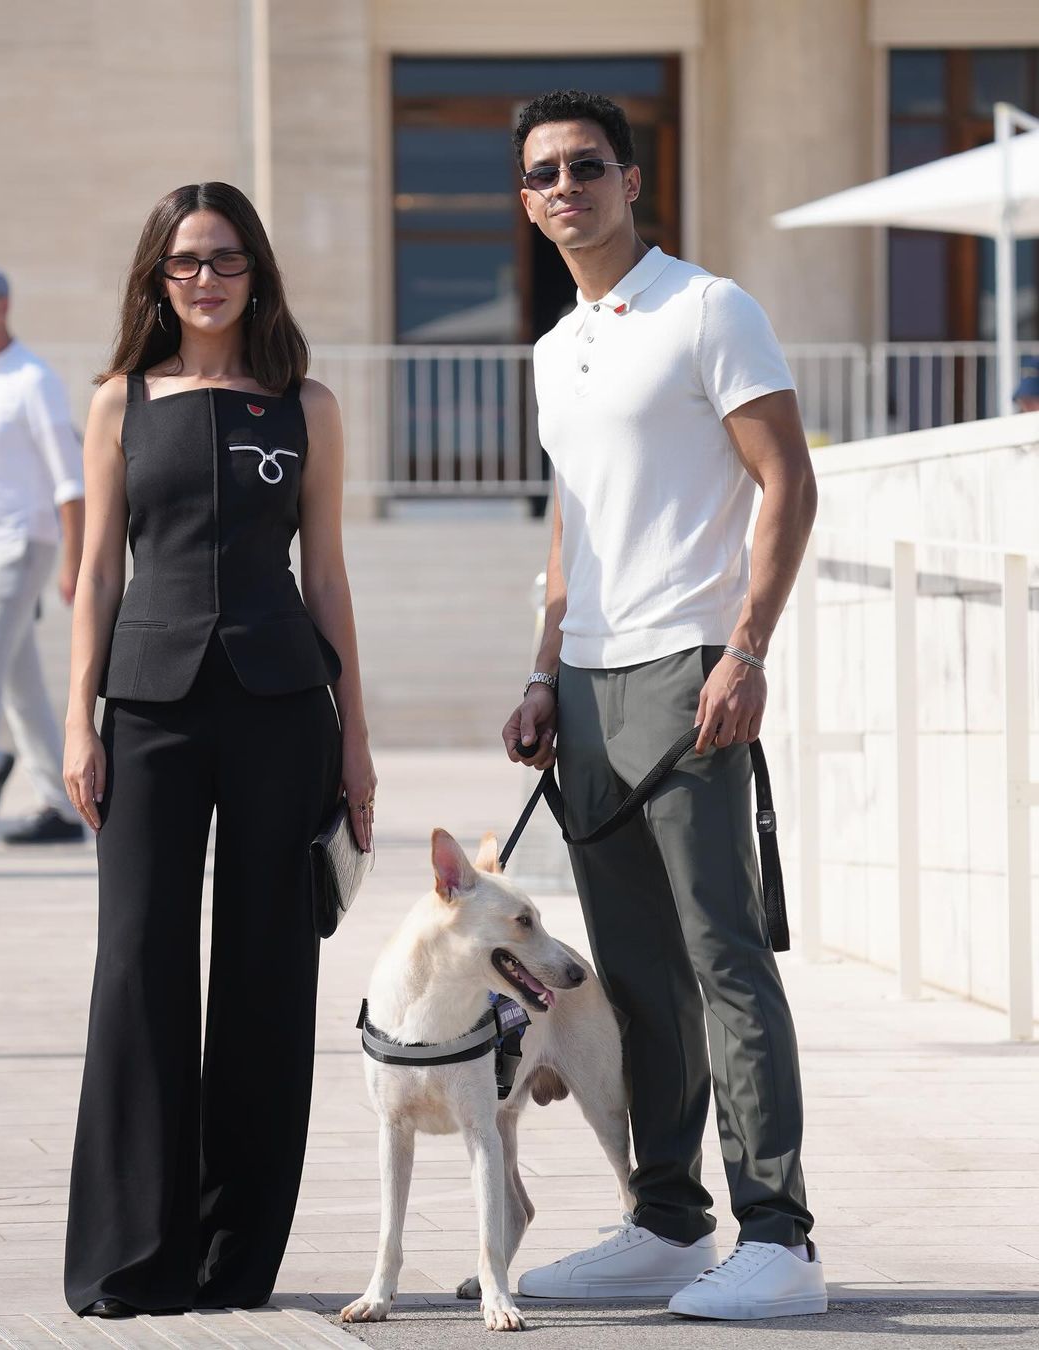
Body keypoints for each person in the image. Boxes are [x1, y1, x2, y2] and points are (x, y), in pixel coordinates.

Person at [501, 91, 826, 1321]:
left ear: (631, 180)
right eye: (544, 174)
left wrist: (747, 647)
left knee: (724, 959)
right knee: (636, 976)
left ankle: (780, 1239)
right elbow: (572, 522)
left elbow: (788, 480)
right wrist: (544, 669)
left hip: (693, 671)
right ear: (527, 201)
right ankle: (669, 1221)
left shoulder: (707, 308)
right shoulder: (555, 349)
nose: (567, 187)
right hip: (586, 685)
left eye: (588, 166)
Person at [62, 182, 376, 1317]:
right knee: (137, 966)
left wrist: (356, 744)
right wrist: (78, 718)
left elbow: (325, 575)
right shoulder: (118, 401)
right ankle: (131, 1258)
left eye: (227, 258)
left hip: (282, 706)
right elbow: (100, 570)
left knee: (266, 972)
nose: (207, 278)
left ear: (257, 273)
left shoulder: (307, 405)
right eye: (186, 261)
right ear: (158, 277)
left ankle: (233, 1260)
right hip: (147, 709)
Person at [0, 264, 85, 848]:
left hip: (20, 545)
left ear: (2, 306)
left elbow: (70, 479)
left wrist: (73, 560)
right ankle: (61, 807)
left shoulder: (34, 379)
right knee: (19, 685)